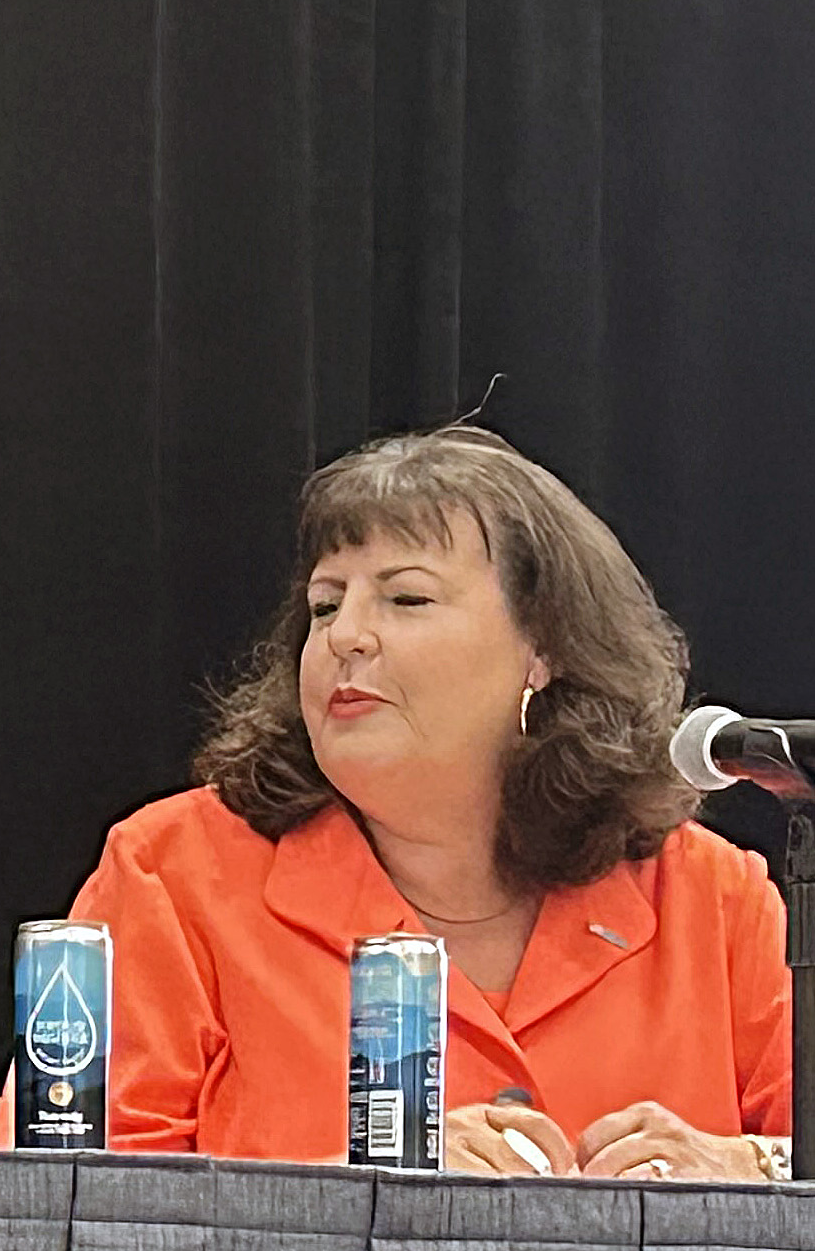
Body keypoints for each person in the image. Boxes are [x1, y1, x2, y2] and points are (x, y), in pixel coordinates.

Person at [45, 423, 783, 1175]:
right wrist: (363, 1199)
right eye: (326, 606)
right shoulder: (172, 875)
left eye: (406, 597)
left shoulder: (712, 899)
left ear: (544, 649)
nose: (346, 637)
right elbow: (67, 1223)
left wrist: (754, 1169)